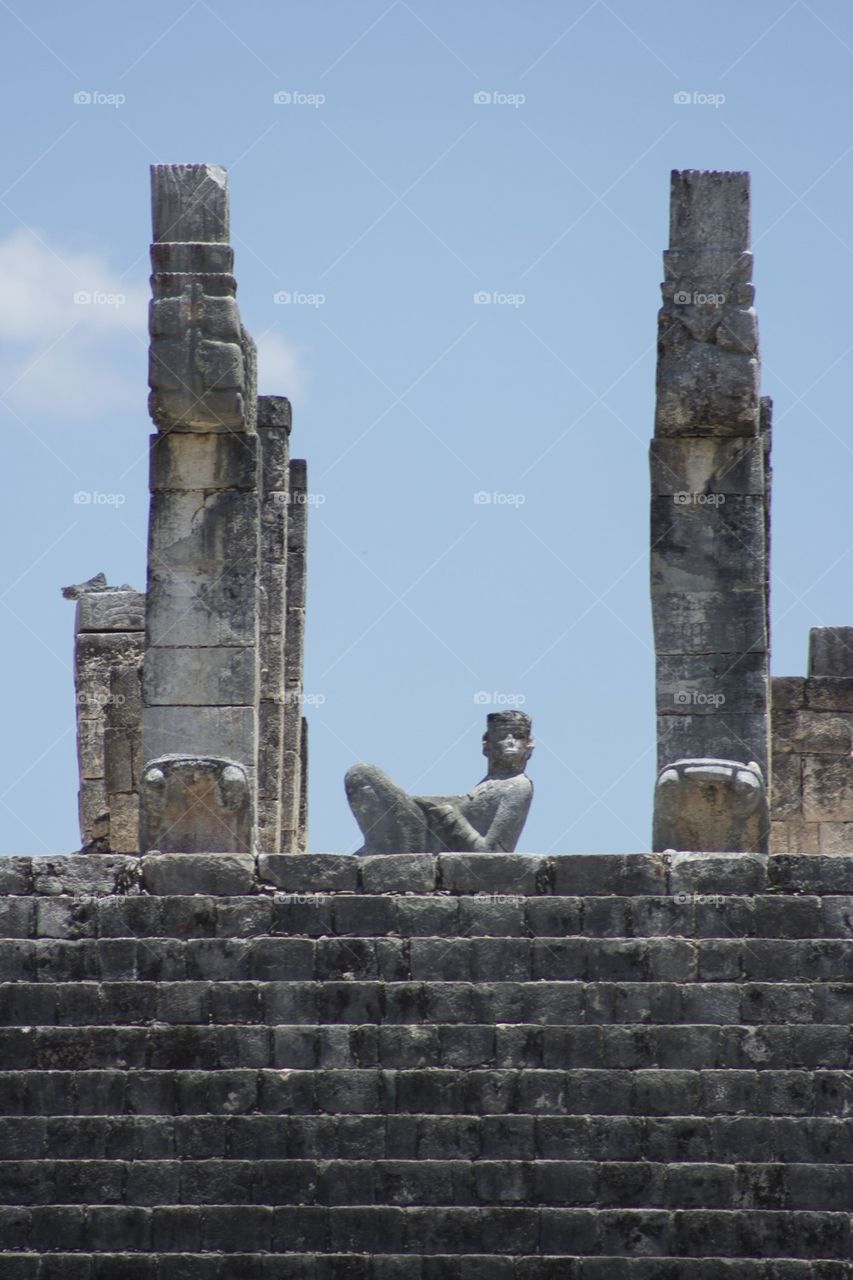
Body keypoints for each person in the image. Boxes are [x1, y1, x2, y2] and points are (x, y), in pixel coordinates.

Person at [345, 710, 534, 854]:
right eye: (502, 736)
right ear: (487, 746)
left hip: (424, 845)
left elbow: (493, 853)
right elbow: (462, 808)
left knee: (363, 774)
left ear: (529, 745)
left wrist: (451, 819)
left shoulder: (518, 786)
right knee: (364, 777)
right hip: (426, 835)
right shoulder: (491, 782)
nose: (510, 742)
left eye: (518, 736)